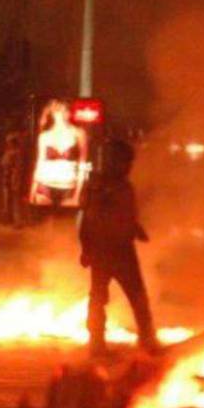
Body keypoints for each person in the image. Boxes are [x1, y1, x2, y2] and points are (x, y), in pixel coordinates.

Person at [78, 139, 159, 357]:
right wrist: (86, 248)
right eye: (125, 162)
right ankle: (97, 343)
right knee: (102, 298)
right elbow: (87, 219)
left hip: (121, 249)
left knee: (135, 297)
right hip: (107, 251)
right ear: (114, 161)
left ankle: (147, 340)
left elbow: (125, 215)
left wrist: (136, 229)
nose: (128, 167)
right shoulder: (98, 187)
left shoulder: (123, 186)